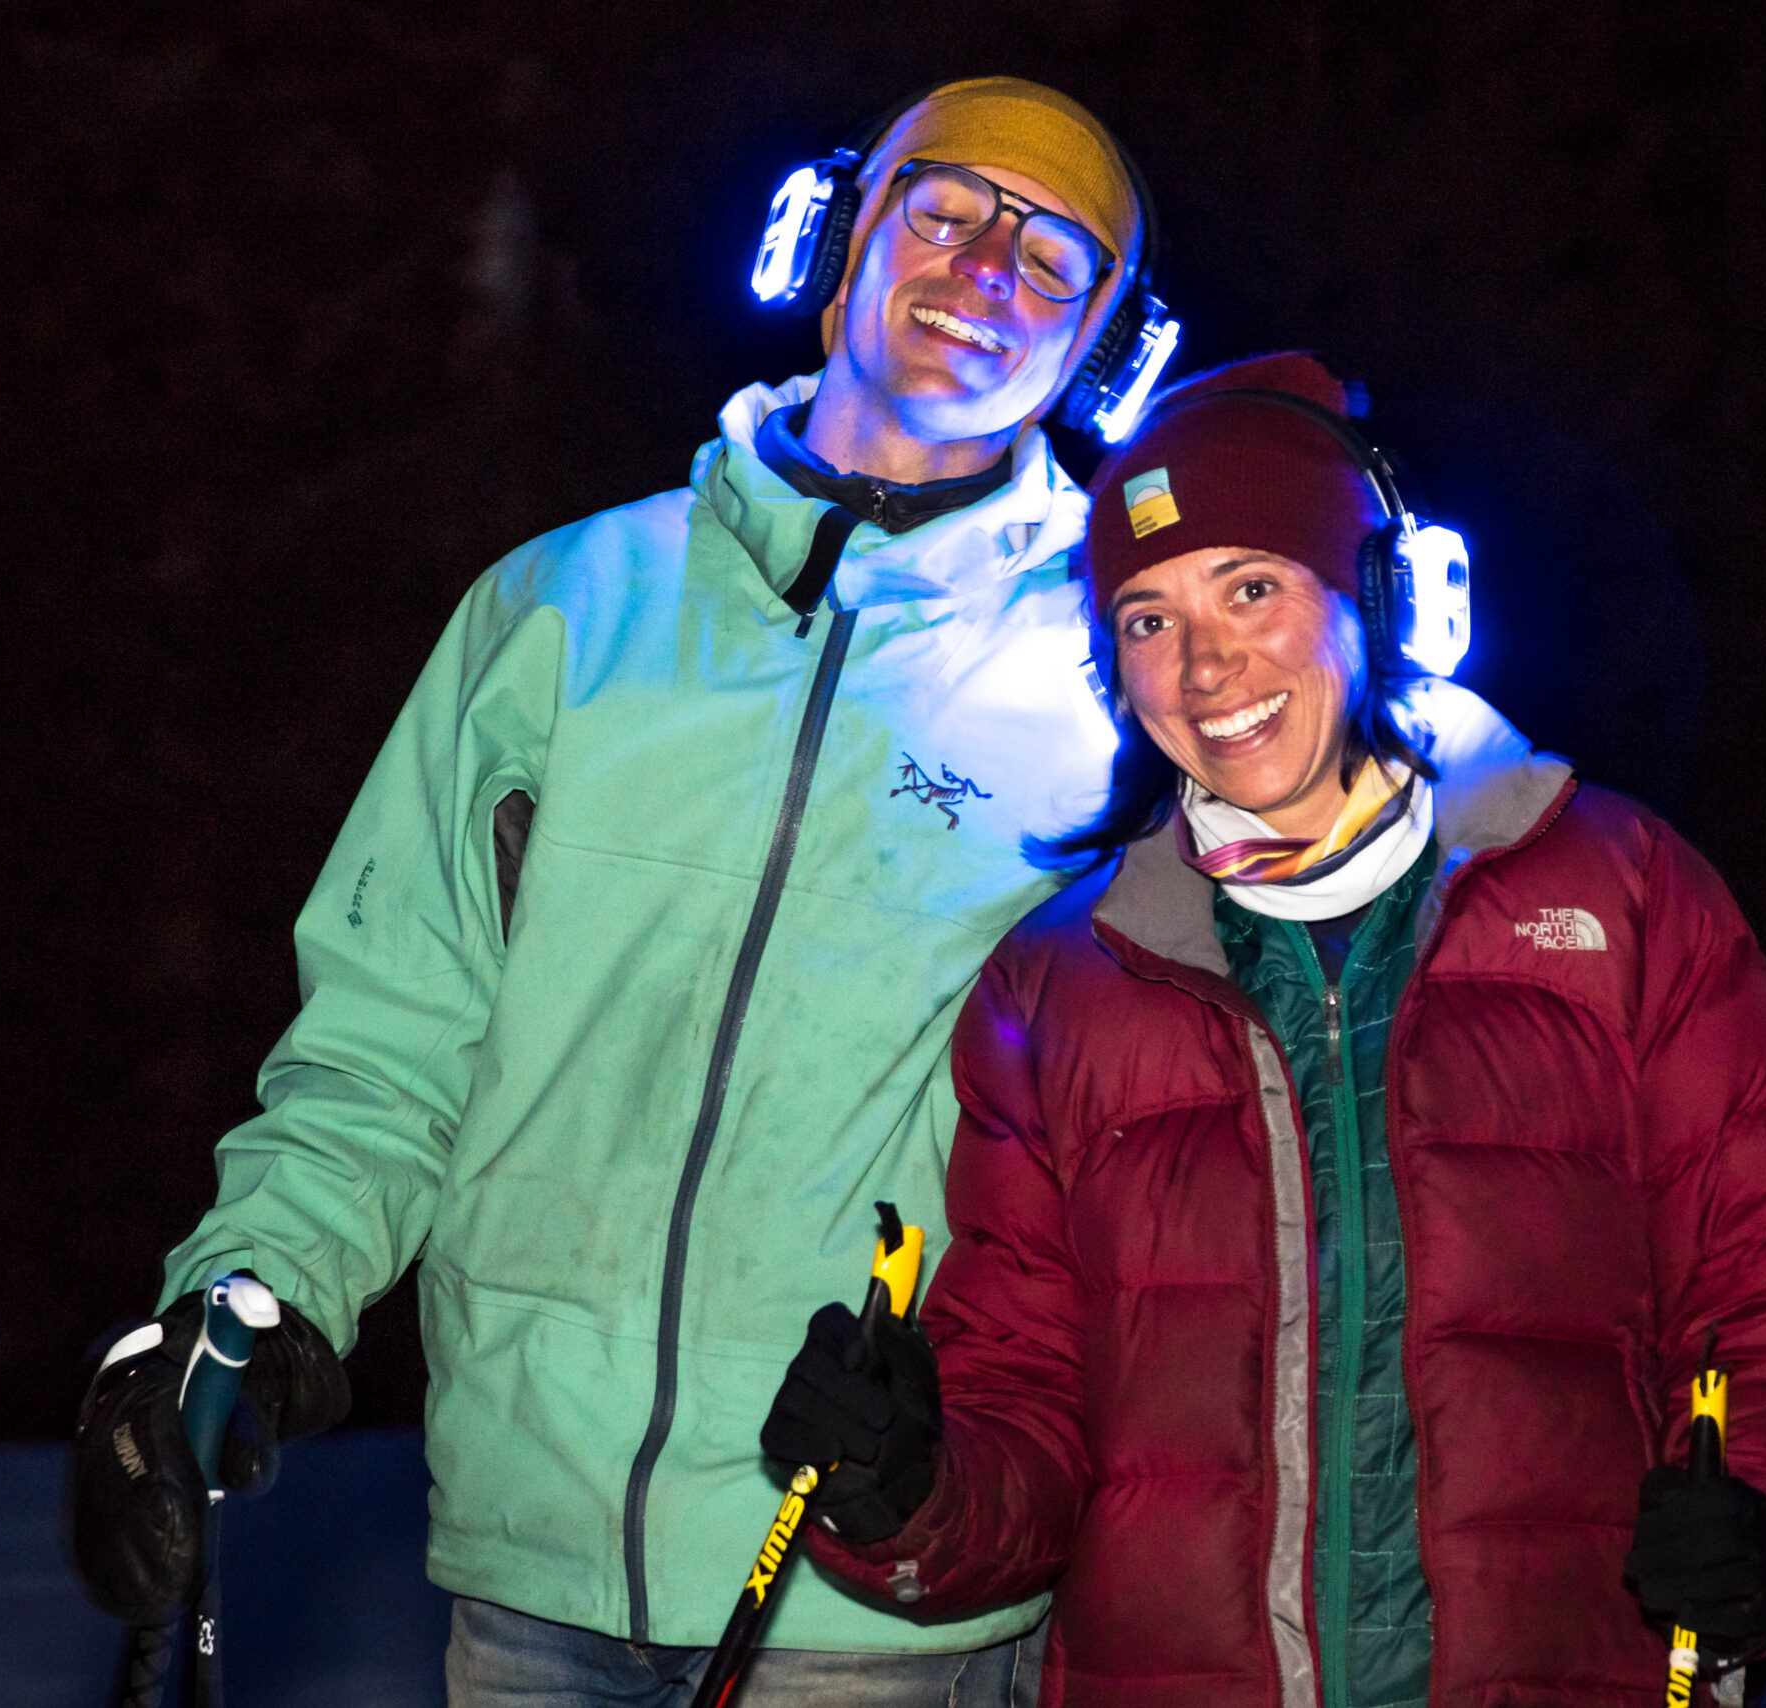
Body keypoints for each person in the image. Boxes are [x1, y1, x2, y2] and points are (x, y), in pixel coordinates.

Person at [66, 77, 1161, 1707]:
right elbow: (390, 1039)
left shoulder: (1126, 674)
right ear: (839, 240)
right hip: (534, 1561)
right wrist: (249, 1303)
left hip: (875, 1588)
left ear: (1099, 351)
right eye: (945, 212)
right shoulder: (567, 610)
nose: (987, 270)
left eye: (1054, 258)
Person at [760, 354, 1766, 1707]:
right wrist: (905, 1486)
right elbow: (1030, 1411)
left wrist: (1762, 1528)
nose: (1206, 664)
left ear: (1371, 598)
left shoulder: (1620, 894)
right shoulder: (1059, 987)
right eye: (1148, 619)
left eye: (1251, 588)